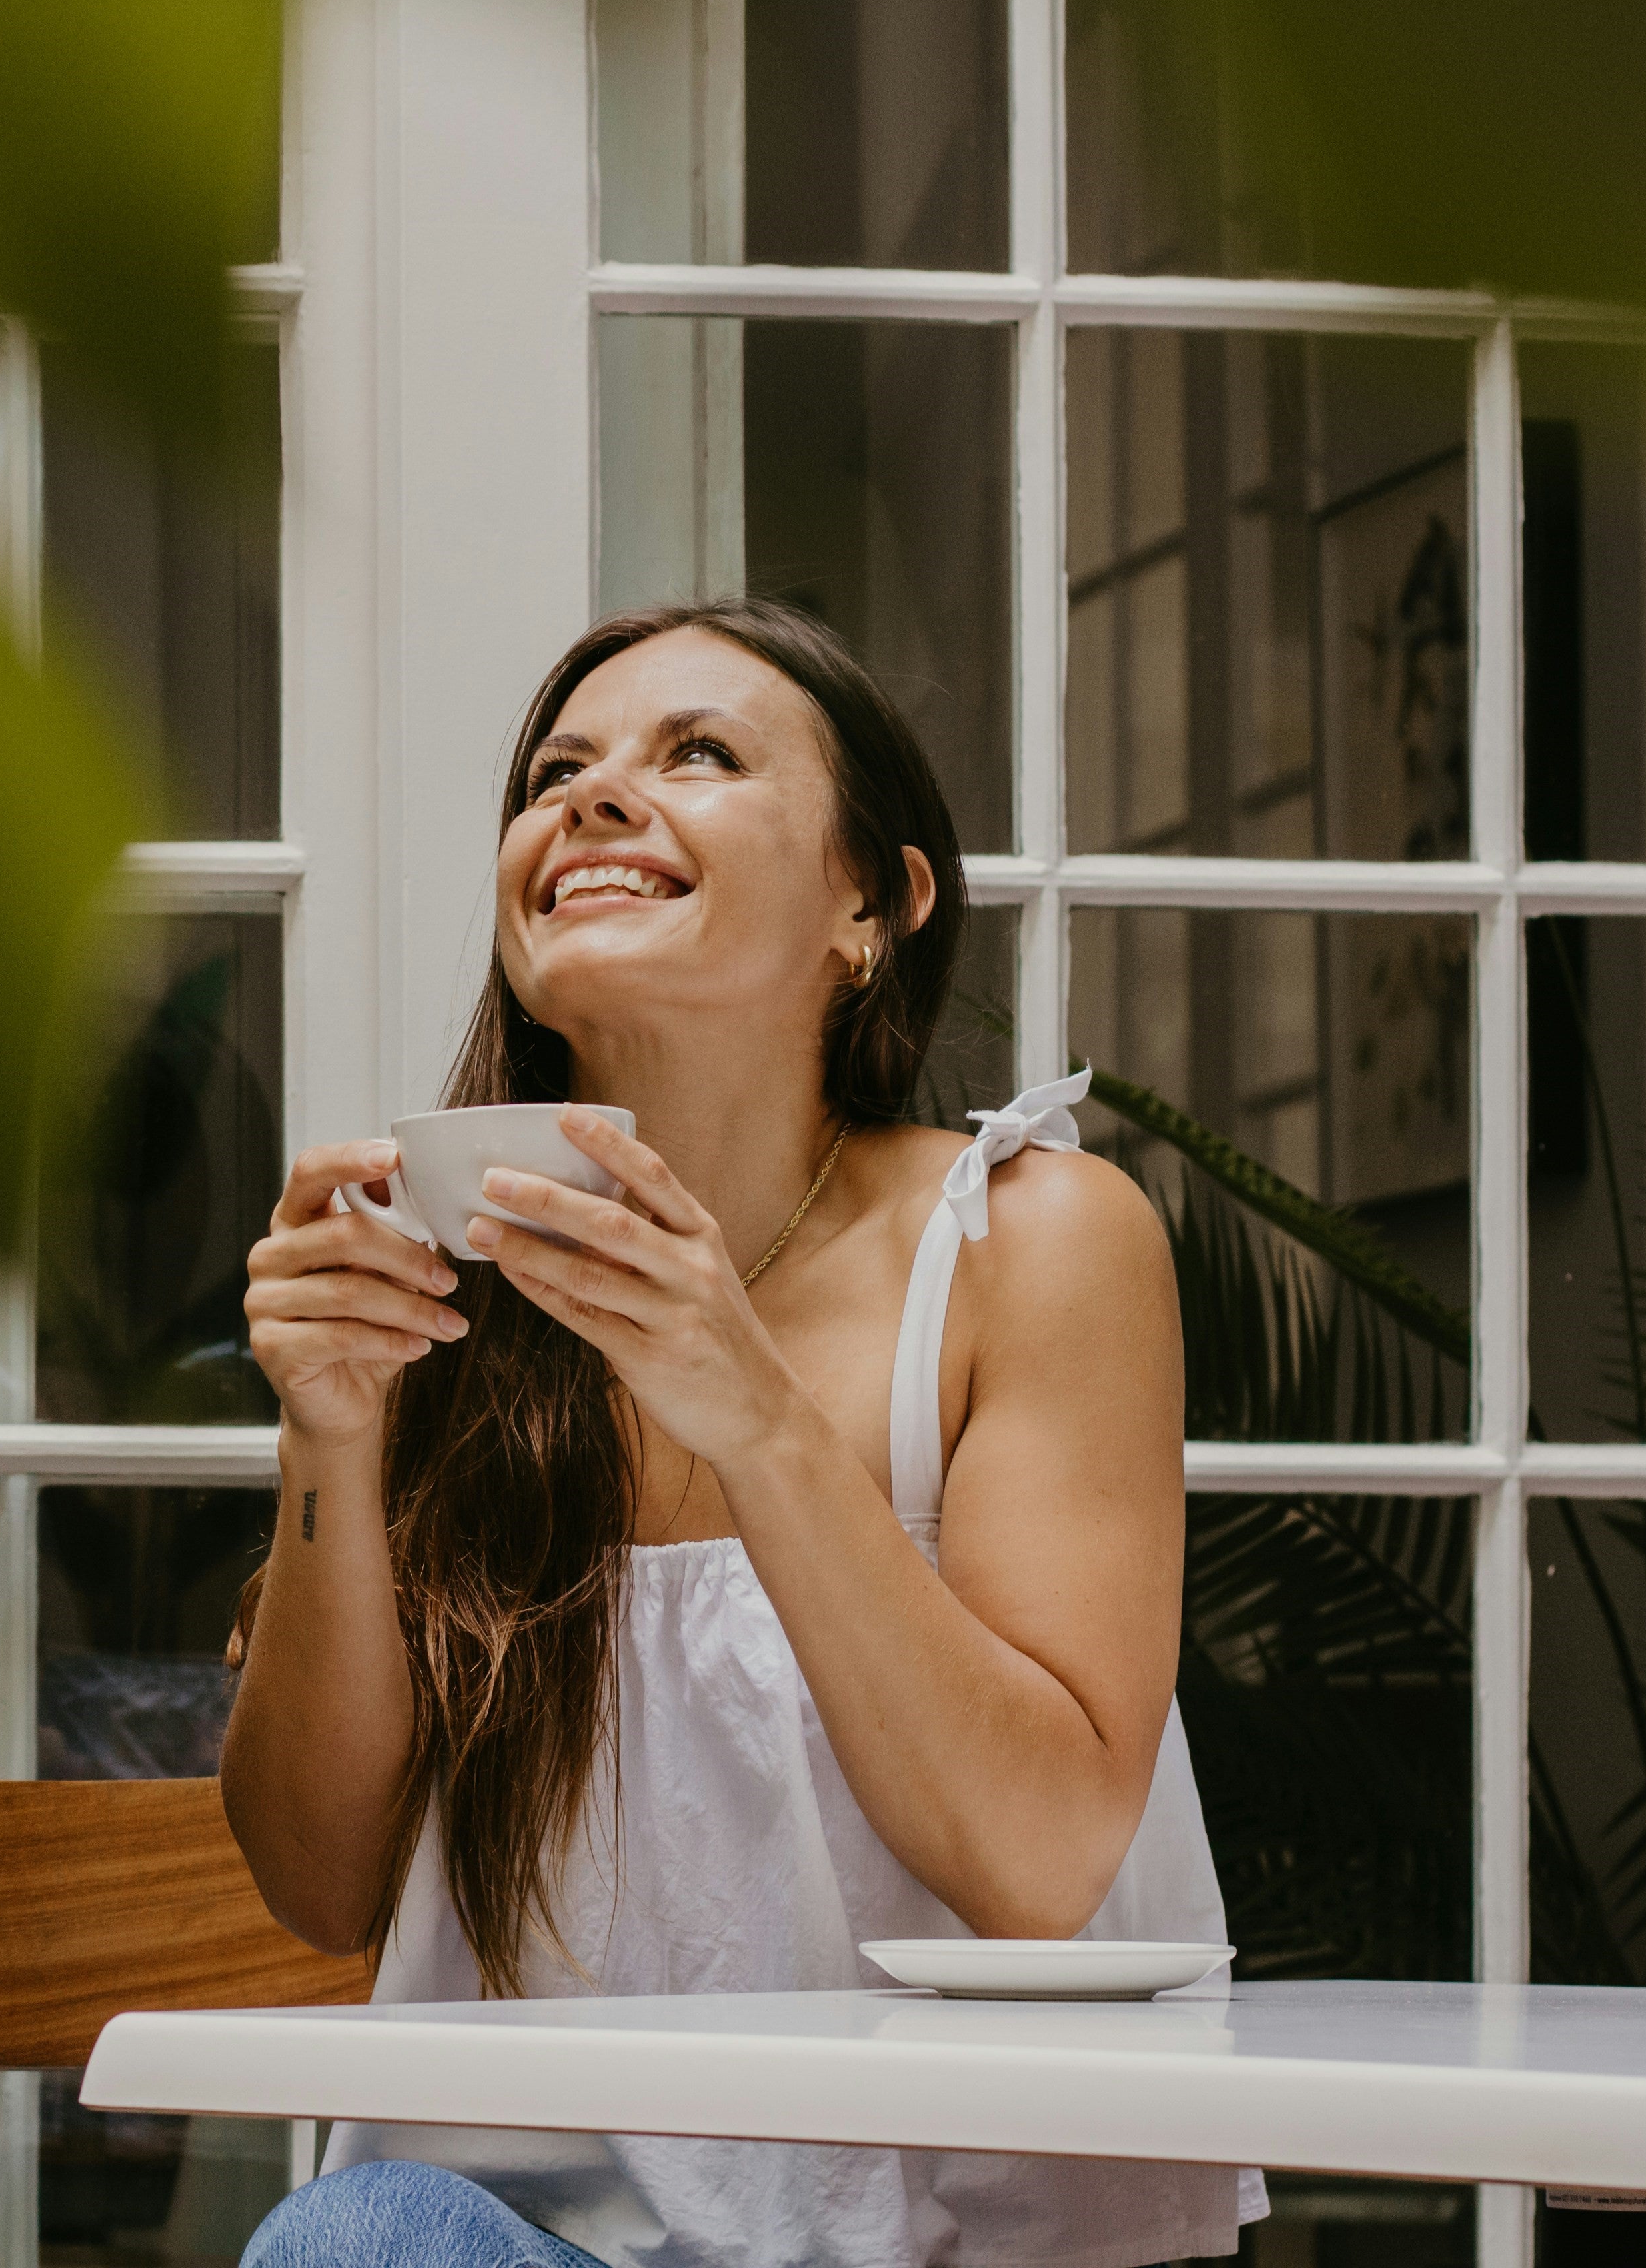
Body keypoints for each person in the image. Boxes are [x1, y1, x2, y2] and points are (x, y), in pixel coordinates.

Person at [223, 599, 1265, 2268]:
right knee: (364, 2241)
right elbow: (318, 1883)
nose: (593, 796)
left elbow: (1039, 1864)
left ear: (875, 905)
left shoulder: (1027, 1242)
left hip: (961, 2244)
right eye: (556, 775)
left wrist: (755, 1411)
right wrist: (330, 1441)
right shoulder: (433, 1287)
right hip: (517, 2240)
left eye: (698, 754)